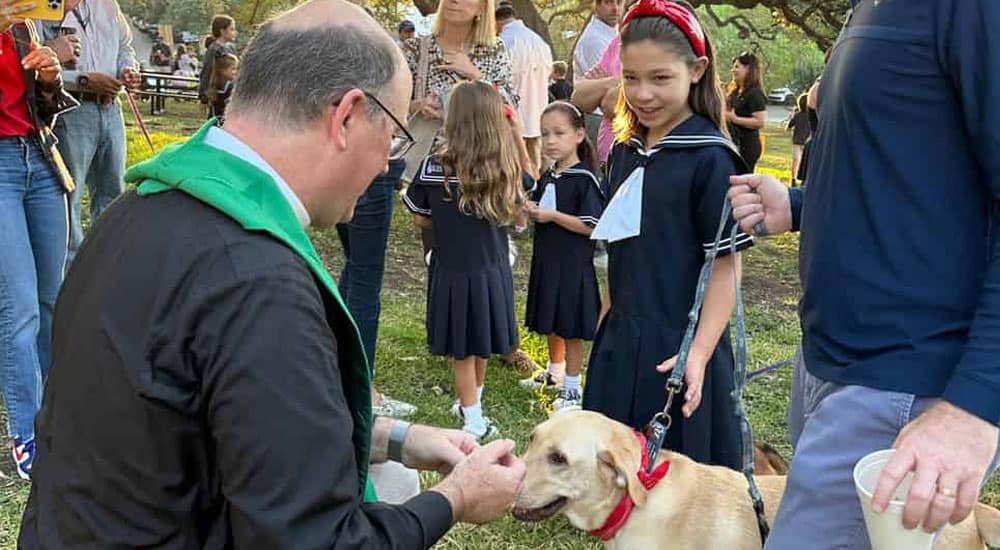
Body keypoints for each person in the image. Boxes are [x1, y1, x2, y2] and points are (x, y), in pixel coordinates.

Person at [17, 1, 525, 546]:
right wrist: (455, 498)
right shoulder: (259, 285)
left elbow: (218, 415)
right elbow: (317, 540)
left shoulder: (137, 209)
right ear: (348, 116)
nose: (388, 165)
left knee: (393, 473)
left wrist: (396, 438)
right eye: (394, 138)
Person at [726, 0, 1000, 546]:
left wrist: (975, 406)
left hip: (903, 384)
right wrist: (799, 204)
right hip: (831, 366)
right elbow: (905, 161)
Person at [582, 0, 752, 471]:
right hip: (622, 335)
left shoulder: (711, 158)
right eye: (631, 78)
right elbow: (622, 248)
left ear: (696, 70)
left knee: (676, 486)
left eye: (660, 78)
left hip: (679, 345)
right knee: (617, 476)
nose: (643, 93)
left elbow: (725, 267)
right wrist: (605, 322)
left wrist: (695, 355)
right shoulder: (623, 150)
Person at [403, 0, 540, 373]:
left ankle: (505, 340)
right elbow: (393, 99)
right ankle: (452, 336)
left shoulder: (492, 50)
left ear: (484, 8)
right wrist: (417, 103)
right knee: (442, 252)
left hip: (485, 166)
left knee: (494, 252)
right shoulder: (418, 46)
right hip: (434, 167)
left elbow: (510, 107)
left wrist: (475, 73)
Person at [403, 82, 526, 440]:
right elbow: (518, 215)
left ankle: (472, 417)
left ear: (452, 119)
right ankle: (473, 406)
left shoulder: (433, 167)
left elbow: (419, 216)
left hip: (452, 265)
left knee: (461, 345)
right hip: (493, 267)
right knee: (483, 337)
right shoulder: (505, 167)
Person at [0, 9, 75, 481]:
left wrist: (49, 78)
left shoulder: (23, 29)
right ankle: (26, 428)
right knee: (19, 305)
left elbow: (42, 106)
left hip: (40, 159)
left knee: (55, 298)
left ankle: (60, 417)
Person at [520, 101, 604, 412]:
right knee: (552, 319)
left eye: (559, 133)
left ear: (580, 135)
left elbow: (592, 225)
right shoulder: (550, 174)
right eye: (545, 134)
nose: (550, 141)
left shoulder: (585, 179)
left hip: (572, 265)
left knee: (571, 325)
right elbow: (542, 208)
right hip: (548, 260)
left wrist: (552, 216)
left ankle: (572, 387)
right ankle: (554, 372)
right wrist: (531, 210)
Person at [53, 0, 139, 269]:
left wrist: (128, 69)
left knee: (113, 194)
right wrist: (83, 79)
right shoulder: (47, 6)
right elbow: (37, 59)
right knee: (70, 199)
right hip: (72, 108)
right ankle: (70, 282)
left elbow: (125, 47)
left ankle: (106, 273)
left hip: (111, 109)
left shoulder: (108, 4)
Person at [495, 0, 552, 174]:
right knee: (536, 174)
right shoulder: (539, 42)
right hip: (538, 117)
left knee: (514, 175)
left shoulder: (502, 43)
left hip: (513, 122)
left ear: (495, 21)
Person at [572, 0, 621, 147]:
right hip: (598, 118)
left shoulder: (617, 34)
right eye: (608, 2)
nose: (615, 8)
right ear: (595, 4)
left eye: (620, 2)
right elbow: (611, 93)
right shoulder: (594, 40)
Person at [725, 51, 767, 172]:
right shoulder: (735, 92)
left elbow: (760, 122)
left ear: (748, 69)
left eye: (737, 67)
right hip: (732, 142)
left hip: (747, 146)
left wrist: (735, 119)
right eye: (733, 67)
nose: (733, 70)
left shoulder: (754, 94)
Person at [198, 14, 237, 116]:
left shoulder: (231, 47)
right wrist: (203, 97)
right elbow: (206, 72)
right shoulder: (214, 49)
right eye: (231, 29)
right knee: (217, 117)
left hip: (230, 89)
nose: (234, 32)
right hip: (218, 91)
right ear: (222, 31)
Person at [785, 92, 809, 186]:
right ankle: (805, 180)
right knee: (807, 162)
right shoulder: (812, 115)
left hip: (797, 141)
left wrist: (792, 131)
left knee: (796, 161)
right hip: (807, 141)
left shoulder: (797, 115)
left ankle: (793, 179)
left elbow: (788, 127)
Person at [206, 52, 237, 119]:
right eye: (233, 69)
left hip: (215, 121)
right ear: (222, 70)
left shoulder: (214, 84)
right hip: (226, 121)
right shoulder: (230, 85)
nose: (236, 72)